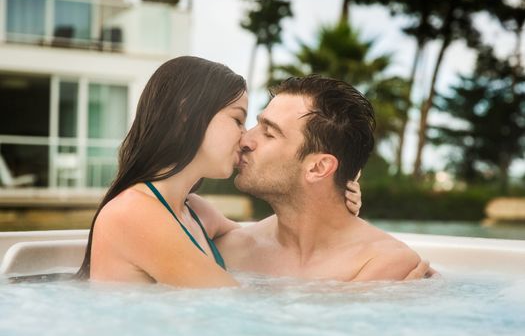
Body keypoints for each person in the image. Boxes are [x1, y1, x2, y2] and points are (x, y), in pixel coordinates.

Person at [75, 57, 363, 288]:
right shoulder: (134, 214)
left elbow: (262, 240)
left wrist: (330, 199)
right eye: (238, 119)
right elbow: (232, 308)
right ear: (187, 114)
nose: (245, 137)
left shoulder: (195, 212)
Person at [207, 75, 434, 281]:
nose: (245, 140)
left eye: (269, 133)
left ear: (318, 168)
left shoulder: (382, 263)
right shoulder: (231, 247)